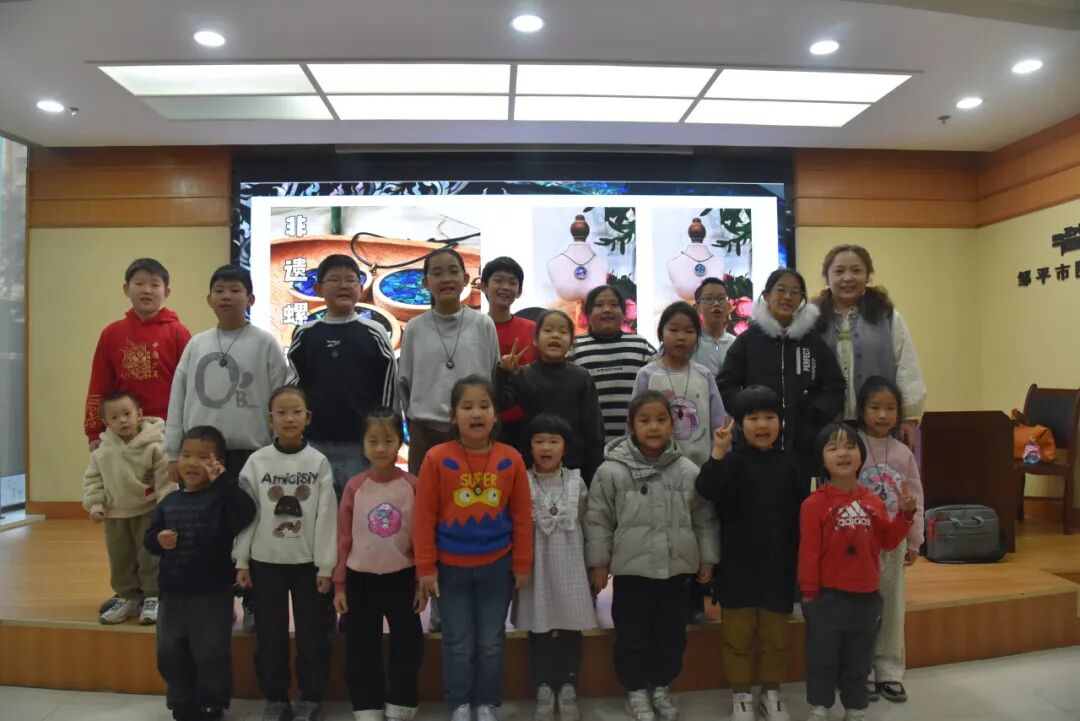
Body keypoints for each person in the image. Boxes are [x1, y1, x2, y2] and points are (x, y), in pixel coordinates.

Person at [586, 391, 719, 721]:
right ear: (631, 425)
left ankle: (660, 685)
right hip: (632, 574)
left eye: (661, 420)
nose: (654, 427)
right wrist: (599, 563)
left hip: (676, 573)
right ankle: (635, 689)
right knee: (631, 636)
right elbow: (598, 520)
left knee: (670, 636)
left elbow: (703, 518)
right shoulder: (611, 471)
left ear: (672, 424)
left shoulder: (687, 470)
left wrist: (707, 558)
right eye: (644, 420)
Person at [414, 376, 533, 721]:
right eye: (467, 407)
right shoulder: (437, 458)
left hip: (497, 566)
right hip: (450, 569)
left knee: (492, 640)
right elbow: (424, 517)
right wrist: (426, 568)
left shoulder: (511, 459)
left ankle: (486, 702)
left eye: (484, 406)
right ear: (453, 415)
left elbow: (522, 516)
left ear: (496, 414)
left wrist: (521, 563)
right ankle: (460, 703)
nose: (476, 413)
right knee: (458, 641)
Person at [695, 386, 804, 721]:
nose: (762, 424)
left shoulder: (790, 465)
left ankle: (771, 692)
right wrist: (718, 451)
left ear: (780, 422)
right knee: (737, 637)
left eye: (770, 417)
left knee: (776, 638)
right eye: (753, 417)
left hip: (778, 567)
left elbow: (799, 518)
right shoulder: (730, 463)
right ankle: (741, 693)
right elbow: (706, 489)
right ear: (740, 424)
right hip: (736, 568)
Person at [799, 423, 916, 721]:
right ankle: (820, 706)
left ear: (861, 456)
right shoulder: (813, 504)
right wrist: (809, 593)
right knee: (822, 657)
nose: (843, 453)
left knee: (859, 659)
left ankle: (855, 707)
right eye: (833, 447)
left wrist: (904, 515)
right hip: (826, 598)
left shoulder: (873, 501)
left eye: (850, 447)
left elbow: (889, 541)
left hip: (866, 597)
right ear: (821, 458)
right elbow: (809, 552)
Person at [234, 387, 337, 721]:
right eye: (281, 413)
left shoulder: (318, 462)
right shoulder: (256, 462)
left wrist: (326, 566)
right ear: (270, 419)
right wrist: (242, 560)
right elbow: (247, 515)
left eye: (296, 412)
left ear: (308, 417)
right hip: (265, 564)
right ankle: (276, 698)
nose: (289, 419)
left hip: (308, 565)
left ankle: (310, 698)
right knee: (270, 637)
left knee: (312, 637)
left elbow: (326, 517)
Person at [145, 425, 256, 721]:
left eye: (204, 457)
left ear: (219, 463)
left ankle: (212, 701)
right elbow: (149, 538)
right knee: (170, 651)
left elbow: (245, 514)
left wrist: (225, 483)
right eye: (186, 455)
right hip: (172, 594)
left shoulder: (223, 499)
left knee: (211, 652)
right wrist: (158, 540)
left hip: (211, 594)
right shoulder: (169, 501)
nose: (192, 463)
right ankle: (180, 699)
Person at [333, 407, 425, 721]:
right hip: (360, 580)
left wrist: (421, 581)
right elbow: (343, 539)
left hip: (403, 578)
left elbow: (422, 537)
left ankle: (402, 701)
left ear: (400, 442)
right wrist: (340, 584)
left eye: (388, 441)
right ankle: (366, 704)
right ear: (362, 445)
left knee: (407, 644)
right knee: (361, 646)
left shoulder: (413, 485)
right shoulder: (354, 487)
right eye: (373, 441)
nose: (381, 448)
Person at [717, 268, 845, 490]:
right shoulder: (748, 341)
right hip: (753, 447)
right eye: (781, 290)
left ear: (801, 300)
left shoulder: (813, 343)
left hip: (801, 450)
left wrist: (812, 416)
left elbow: (835, 387)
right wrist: (748, 412)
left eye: (795, 292)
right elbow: (726, 385)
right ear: (766, 296)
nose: (787, 297)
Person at [165, 265, 288, 477]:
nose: (226, 296)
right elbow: (177, 400)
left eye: (235, 290)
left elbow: (281, 400)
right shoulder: (196, 344)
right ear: (209, 299)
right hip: (200, 453)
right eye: (219, 290)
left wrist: (281, 448)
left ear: (250, 299)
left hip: (254, 453)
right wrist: (173, 454)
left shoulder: (265, 343)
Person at [288, 254, 396, 497]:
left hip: (361, 443)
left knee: (360, 508)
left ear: (360, 288)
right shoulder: (305, 334)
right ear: (318, 289)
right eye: (335, 280)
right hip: (313, 442)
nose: (343, 285)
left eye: (351, 280)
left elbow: (389, 387)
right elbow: (293, 388)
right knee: (315, 508)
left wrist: (384, 433)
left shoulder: (375, 332)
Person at [511, 414, 596, 721]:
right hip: (536, 569)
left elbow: (588, 524)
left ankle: (569, 687)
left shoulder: (576, 481)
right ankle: (544, 687)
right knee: (540, 629)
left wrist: (594, 565)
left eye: (553, 441)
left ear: (565, 446)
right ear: (529, 446)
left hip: (570, 567)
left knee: (572, 627)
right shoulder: (520, 479)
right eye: (539, 441)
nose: (546, 447)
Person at [397, 248, 500, 475]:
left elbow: (493, 378)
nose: (446, 279)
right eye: (437, 273)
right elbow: (404, 383)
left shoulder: (483, 324)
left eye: (453, 272)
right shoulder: (414, 328)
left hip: (474, 432)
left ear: (465, 279)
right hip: (425, 433)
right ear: (426, 283)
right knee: (425, 494)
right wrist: (412, 429)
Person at [855, 376, 925, 704]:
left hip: (893, 541)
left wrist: (914, 540)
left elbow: (915, 496)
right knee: (860, 606)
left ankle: (889, 669)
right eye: (875, 407)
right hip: (857, 541)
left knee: (892, 606)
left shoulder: (903, 453)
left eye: (890, 408)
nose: (882, 415)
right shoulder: (851, 444)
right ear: (861, 410)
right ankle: (860, 669)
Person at [814, 245, 926, 449]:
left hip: (878, 427)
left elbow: (906, 366)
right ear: (827, 277)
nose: (848, 278)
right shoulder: (811, 319)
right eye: (839, 271)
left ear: (867, 276)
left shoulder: (888, 317)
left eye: (856, 270)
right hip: (825, 426)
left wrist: (910, 417)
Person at [82, 391, 174, 625]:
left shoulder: (155, 446)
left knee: (150, 557)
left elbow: (165, 479)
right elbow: (93, 479)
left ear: (139, 415)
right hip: (116, 514)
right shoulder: (102, 452)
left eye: (127, 414)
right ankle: (127, 596)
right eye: (114, 417)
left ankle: (153, 596)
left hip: (148, 511)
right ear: (106, 422)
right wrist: (95, 504)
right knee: (120, 557)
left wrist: (167, 508)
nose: (122, 420)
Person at [85, 257, 191, 450]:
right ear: (126, 289)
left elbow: (190, 386)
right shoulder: (111, 333)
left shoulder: (178, 332)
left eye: (154, 285)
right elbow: (99, 383)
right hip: (121, 431)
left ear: (166, 292)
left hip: (167, 429)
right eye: (139, 283)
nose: (147, 290)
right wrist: (93, 432)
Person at [495, 309, 605, 484]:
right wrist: (503, 372)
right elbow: (498, 404)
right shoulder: (523, 375)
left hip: (573, 467)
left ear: (571, 342)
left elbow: (593, 430)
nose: (555, 335)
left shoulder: (581, 377)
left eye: (563, 331)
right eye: (548, 330)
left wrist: (593, 472)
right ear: (535, 340)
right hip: (531, 466)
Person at [632, 301, 726, 467]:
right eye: (673, 330)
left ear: (697, 337)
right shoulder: (647, 375)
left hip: (701, 467)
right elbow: (634, 420)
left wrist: (719, 461)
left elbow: (718, 422)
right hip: (656, 468)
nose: (681, 337)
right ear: (661, 333)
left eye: (689, 331)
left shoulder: (704, 375)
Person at [567, 284, 656, 443]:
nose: (607, 310)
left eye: (614, 305)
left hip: (634, 444)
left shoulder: (641, 346)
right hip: (587, 444)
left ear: (624, 313)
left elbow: (659, 387)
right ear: (588, 313)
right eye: (599, 305)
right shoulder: (573, 348)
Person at [480, 256, 537, 450]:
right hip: (482, 421)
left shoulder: (532, 329)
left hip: (524, 424)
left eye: (512, 283)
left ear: (519, 291)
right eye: (498, 280)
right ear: (484, 286)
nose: (505, 287)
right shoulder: (473, 328)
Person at [691, 277, 735, 378]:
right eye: (709, 298)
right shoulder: (690, 343)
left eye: (721, 298)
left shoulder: (737, 344)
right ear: (697, 308)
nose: (716, 304)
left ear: (729, 307)